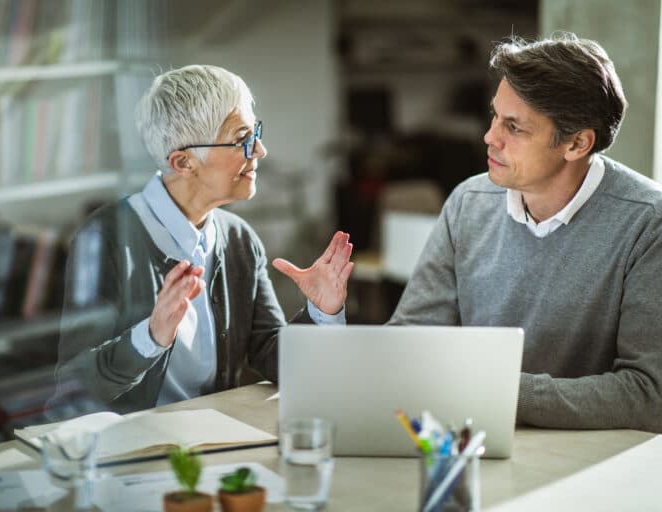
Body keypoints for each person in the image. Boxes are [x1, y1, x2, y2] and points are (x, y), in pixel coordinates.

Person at [389, 33, 662, 432]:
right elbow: (411, 340)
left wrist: (495, 390)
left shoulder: (648, 224)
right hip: (473, 441)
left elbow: (648, 396)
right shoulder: (469, 201)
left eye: (513, 127)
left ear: (576, 143)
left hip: (587, 469)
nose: (489, 137)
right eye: (495, 116)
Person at [52, 65, 353, 414]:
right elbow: (74, 383)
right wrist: (151, 336)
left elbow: (271, 355)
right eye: (242, 138)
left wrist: (321, 311)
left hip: (213, 443)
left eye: (255, 131)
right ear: (183, 162)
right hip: (130, 451)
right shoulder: (104, 237)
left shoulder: (239, 239)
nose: (260, 151)